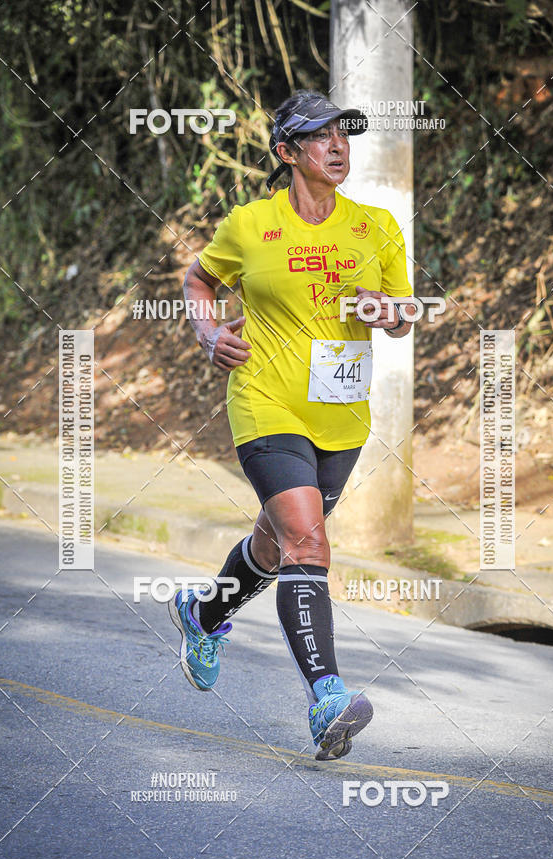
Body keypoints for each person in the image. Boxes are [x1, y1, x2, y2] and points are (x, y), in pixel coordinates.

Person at [169, 90, 414, 760]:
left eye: (345, 135)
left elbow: (401, 312)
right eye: (321, 136)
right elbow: (198, 281)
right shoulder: (250, 225)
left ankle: (203, 615)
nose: (339, 146)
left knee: (276, 547)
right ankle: (327, 697)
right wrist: (207, 330)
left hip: (342, 417)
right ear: (287, 152)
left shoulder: (377, 227)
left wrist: (388, 313)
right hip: (264, 402)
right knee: (308, 543)